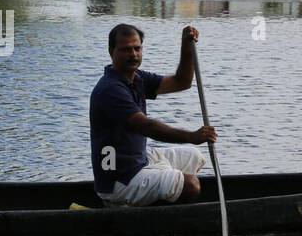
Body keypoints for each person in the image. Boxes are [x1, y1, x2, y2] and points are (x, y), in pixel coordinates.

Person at [90, 23, 217, 207]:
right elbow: (145, 126)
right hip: (119, 179)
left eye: (137, 48)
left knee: (195, 157)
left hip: (138, 160)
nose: (133, 54)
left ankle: (152, 203)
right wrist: (191, 136)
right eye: (126, 49)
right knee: (191, 185)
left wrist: (186, 46)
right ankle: (124, 205)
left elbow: (181, 82)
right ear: (112, 52)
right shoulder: (110, 89)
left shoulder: (137, 78)